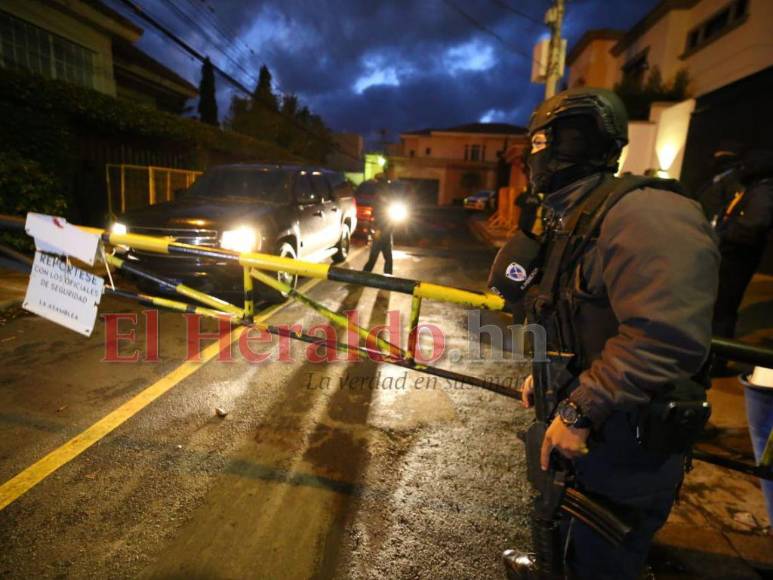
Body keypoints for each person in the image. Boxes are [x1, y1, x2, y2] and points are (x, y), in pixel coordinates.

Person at [492, 88, 719, 579]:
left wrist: (579, 408)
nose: (537, 158)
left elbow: (667, 334)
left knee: (602, 561)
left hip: (624, 440)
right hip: (595, 430)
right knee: (567, 545)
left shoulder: (646, 214)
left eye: (546, 143)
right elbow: (579, 313)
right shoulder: (576, 214)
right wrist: (551, 376)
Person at [711, 150, 773, 342]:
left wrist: (722, 235)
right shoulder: (757, 188)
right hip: (733, 256)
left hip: (736, 259)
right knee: (721, 307)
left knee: (723, 308)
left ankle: (718, 359)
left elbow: (754, 224)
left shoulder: (764, 190)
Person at [362, 176, 395, 275]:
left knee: (382, 257)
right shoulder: (381, 197)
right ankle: (365, 275)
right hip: (383, 230)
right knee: (382, 257)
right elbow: (377, 215)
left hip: (384, 230)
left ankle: (365, 275)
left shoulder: (382, 196)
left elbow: (379, 215)